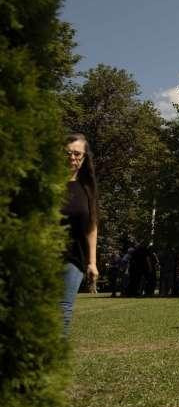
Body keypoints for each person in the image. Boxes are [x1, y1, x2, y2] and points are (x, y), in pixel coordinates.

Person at [61, 133, 99, 333]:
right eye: (67, 153)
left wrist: (92, 262)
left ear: (84, 158)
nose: (72, 158)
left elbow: (91, 226)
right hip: (43, 255)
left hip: (73, 259)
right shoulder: (47, 182)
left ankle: (54, 357)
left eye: (77, 154)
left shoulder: (87, 188)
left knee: (63, 309)